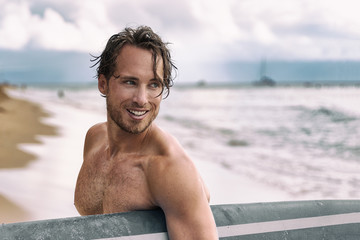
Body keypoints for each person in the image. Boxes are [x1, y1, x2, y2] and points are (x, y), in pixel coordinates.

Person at [74, 26, 218, 239]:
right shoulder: (94, 138)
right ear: (103, 84)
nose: (141, 99)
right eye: (130, 82)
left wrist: (189, 189)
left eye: (153, 85)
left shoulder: (168, 168)